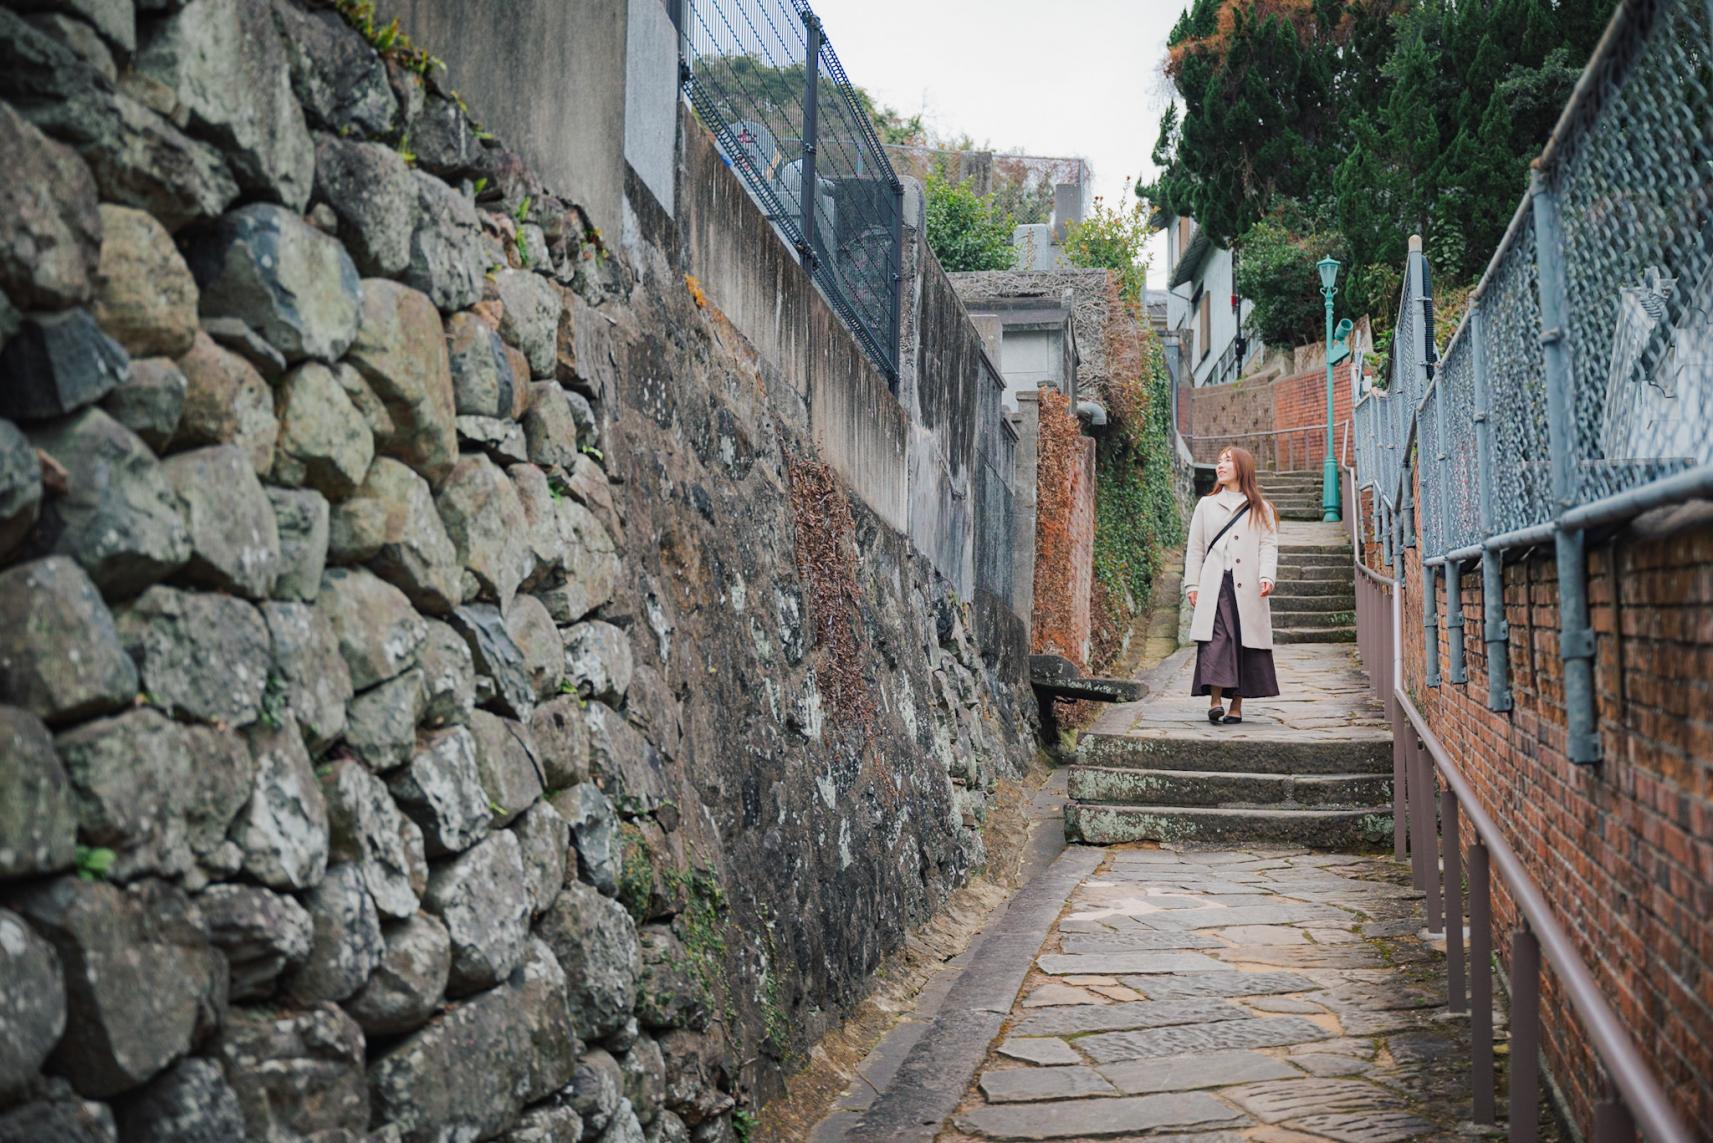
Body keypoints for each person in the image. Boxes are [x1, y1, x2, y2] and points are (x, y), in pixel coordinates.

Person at [1184, 446, 1280, 724]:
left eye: (1227, 461)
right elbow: (1195, 548)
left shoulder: (1261, 508)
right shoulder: (1206, 505)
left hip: (1247, 587)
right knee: (1215, 642)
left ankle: (1236, 705)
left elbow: (1268, 546)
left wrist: (1267, 576)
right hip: (1215, 584)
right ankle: (1215, 701)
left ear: (1243, 468)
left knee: (1243, 644)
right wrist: (1192, 584)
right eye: (1219, 461)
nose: (1220, 466)